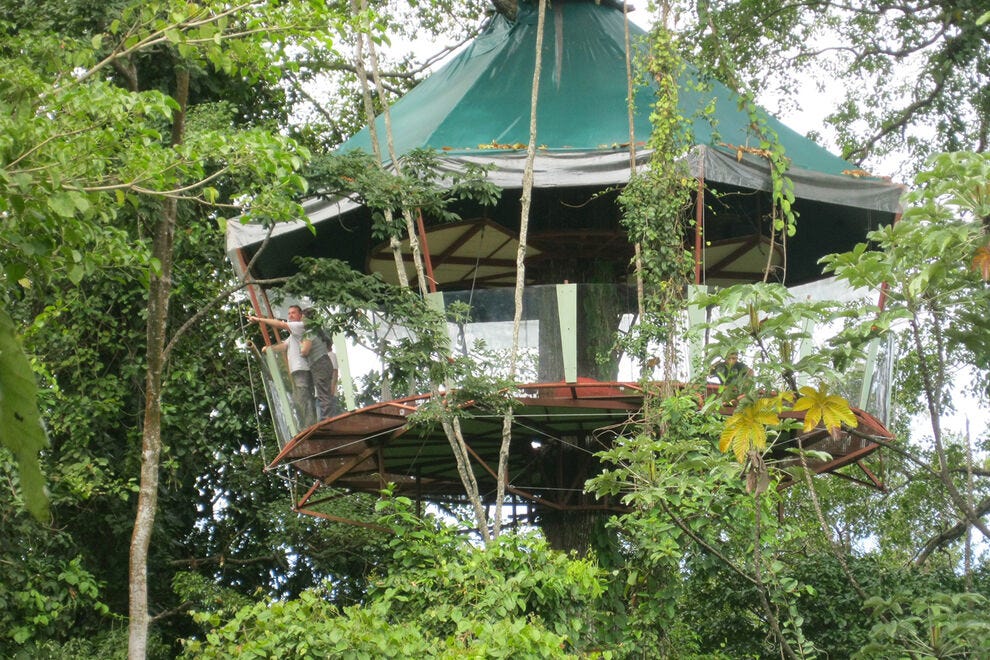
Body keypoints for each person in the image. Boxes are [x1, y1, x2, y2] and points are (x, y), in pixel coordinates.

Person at [248, 306, 316, 428]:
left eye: (293, 313)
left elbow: (280, 324)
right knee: (298, 400)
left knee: (304, 398)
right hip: (297, 370)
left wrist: (259, 320)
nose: (290, 315)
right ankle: (306, 425)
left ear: (300, 315)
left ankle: (311, 426)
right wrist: (270, 349)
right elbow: (284, 346)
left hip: (302, 369)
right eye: (288, 313)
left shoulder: (300, 326)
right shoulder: (293, 335)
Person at [301, 308, 338, 419]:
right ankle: (328, 418)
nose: (301, 321)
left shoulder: (309, 333)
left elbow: (305, 351)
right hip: (325, 362)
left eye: (303, 318)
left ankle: (326, 420)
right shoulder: (318, 332)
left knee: (323, 394)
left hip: (318, 364)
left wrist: (301, 346)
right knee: (325, 393)